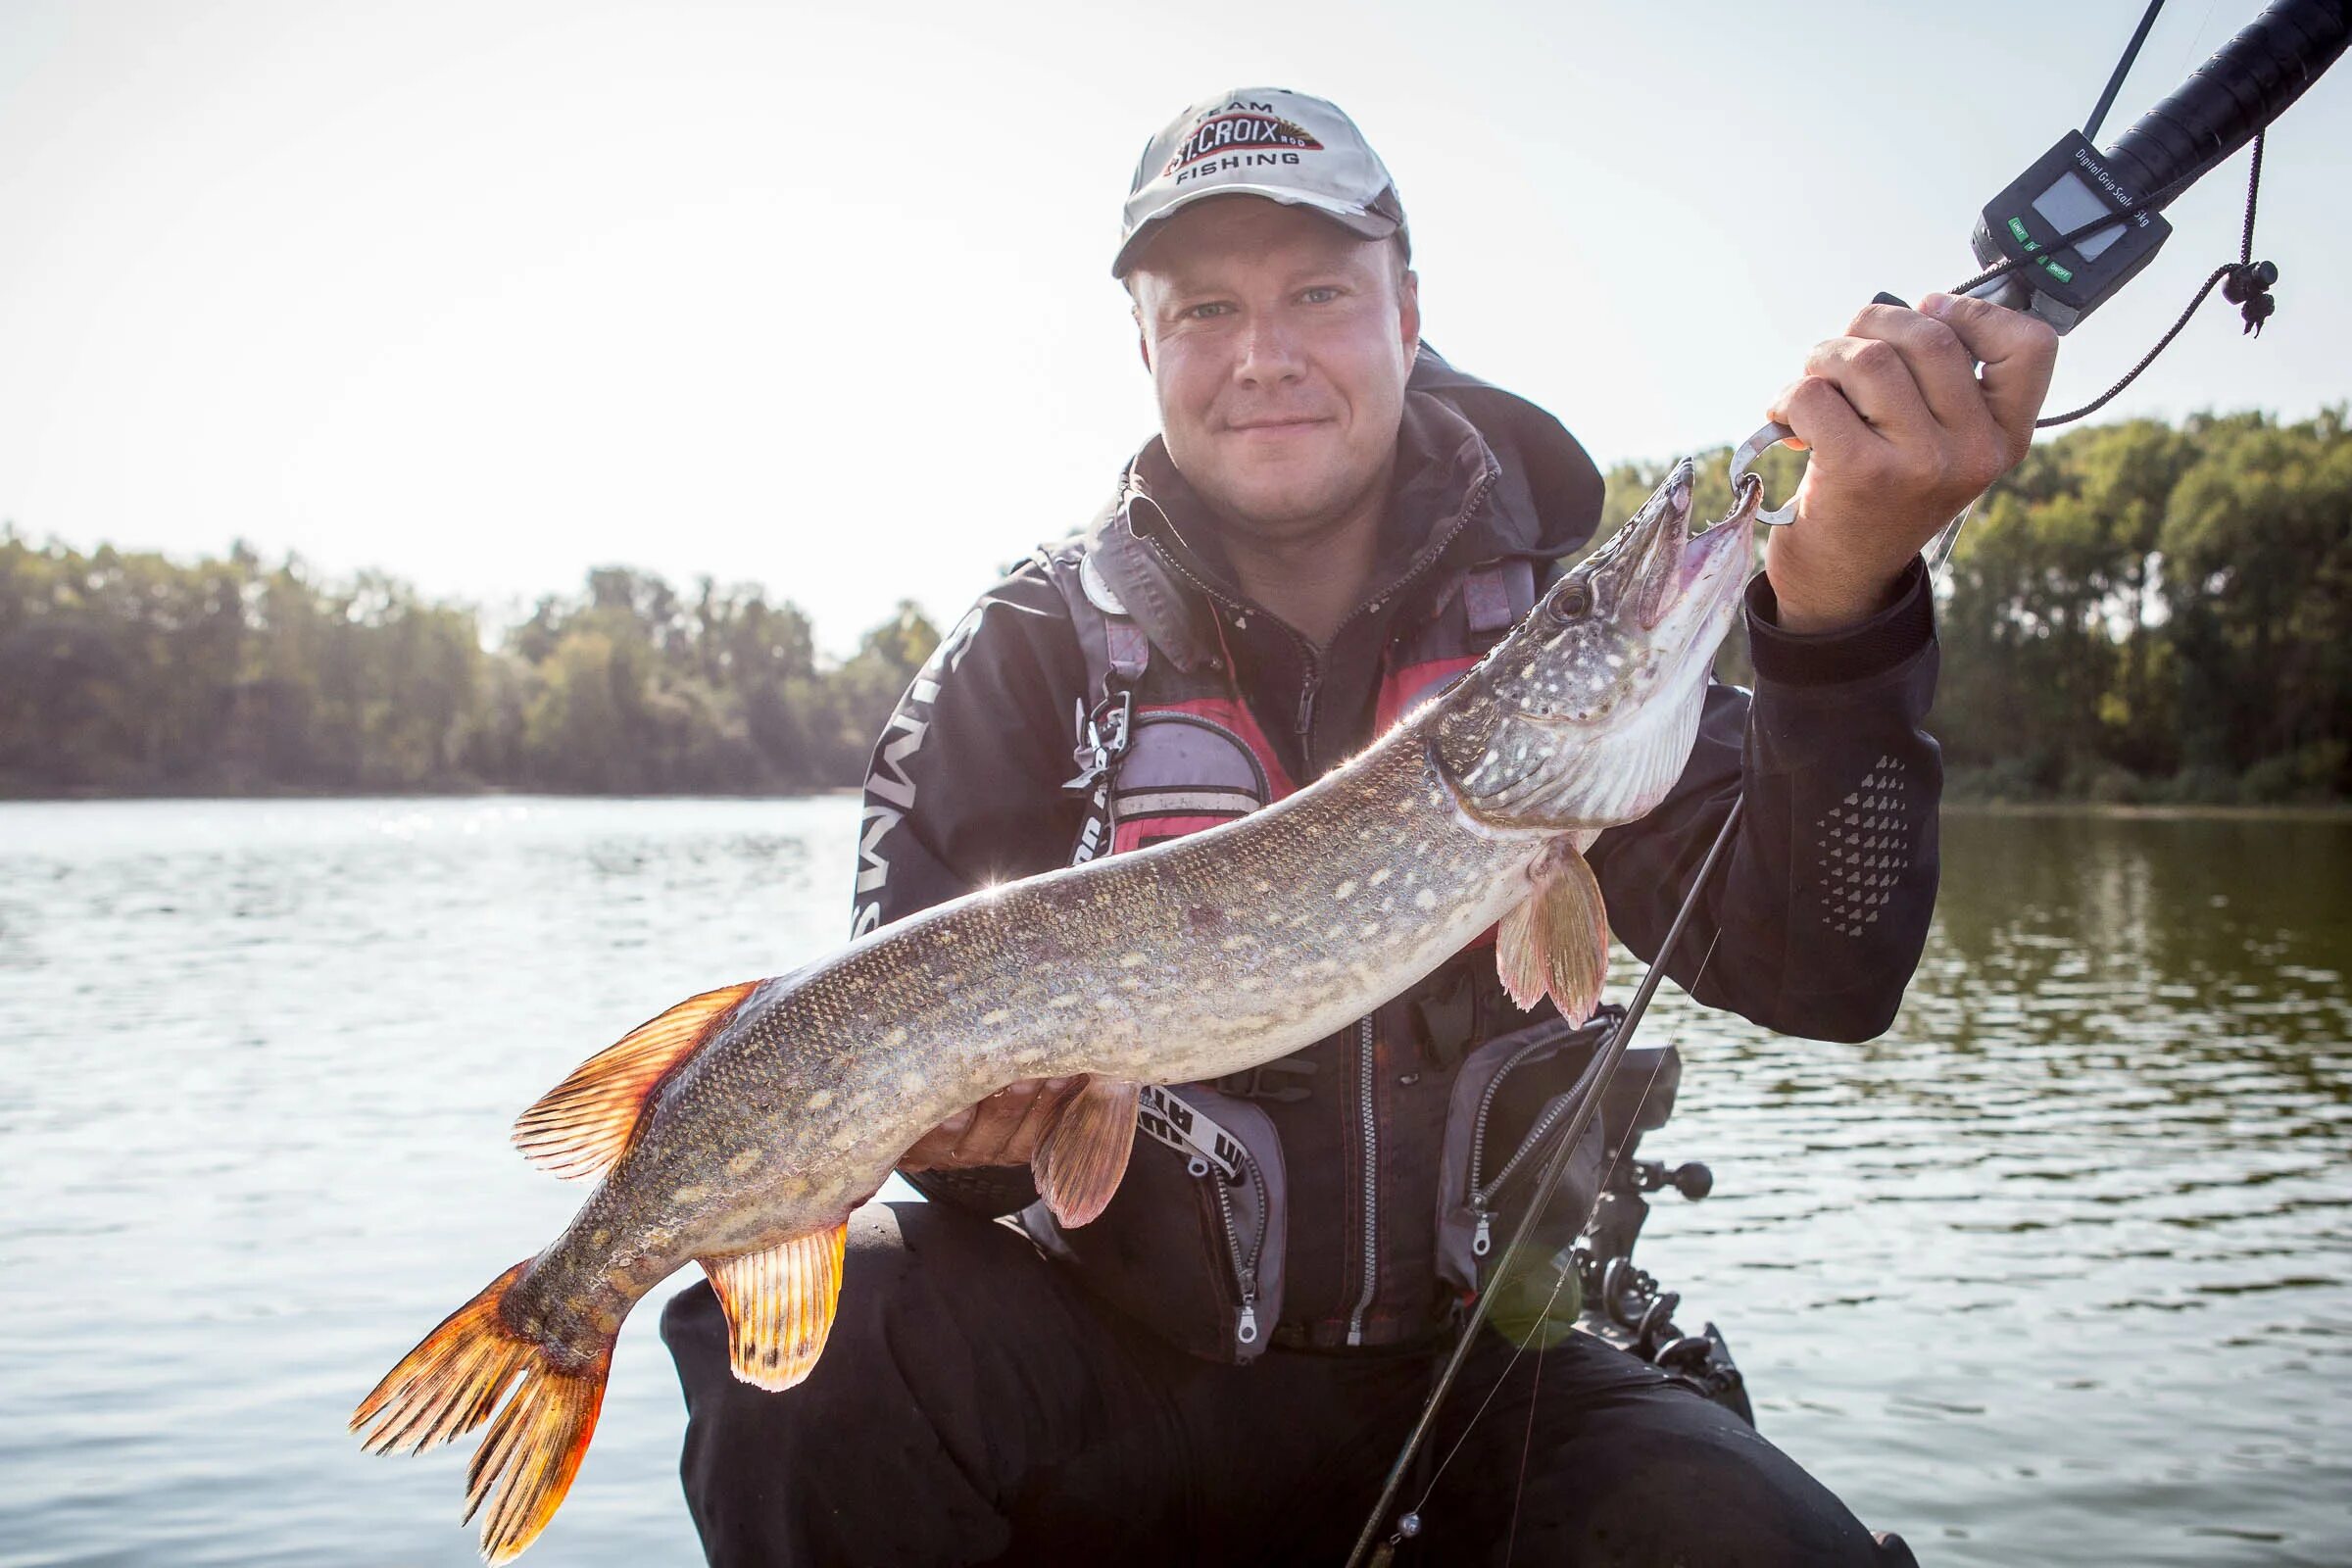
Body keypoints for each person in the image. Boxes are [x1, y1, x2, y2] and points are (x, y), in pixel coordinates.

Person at [663, 87, 2057, 1566]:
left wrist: (1838, 612)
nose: (1263, 355)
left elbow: (1827, 970)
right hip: (1113, 1375)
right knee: (822, 1350)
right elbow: (936, 1105)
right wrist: (978, 1152)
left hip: (1486, 1384)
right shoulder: (1026, 652)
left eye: (1318, 292)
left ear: (1409, 309)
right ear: (1145, 346)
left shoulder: (1550, 658)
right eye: (1206, 308)